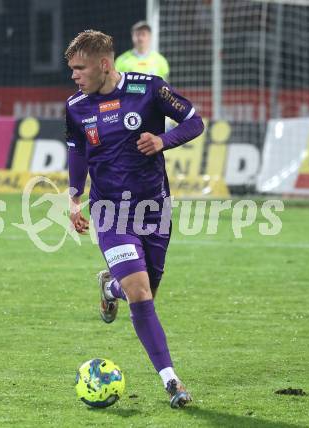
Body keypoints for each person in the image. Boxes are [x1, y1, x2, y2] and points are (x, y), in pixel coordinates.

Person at [65, 30, 204, 408]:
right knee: (141, 294)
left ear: (104, 65)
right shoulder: (76, 106)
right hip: (110, 212)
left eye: (80, 69)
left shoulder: (149, 89)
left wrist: (163, 141)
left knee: (141, 292)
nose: (74, 76)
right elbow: (78, 154)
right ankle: (172, 381)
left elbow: (194, 121)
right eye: (72, 69)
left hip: (154, 210)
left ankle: (110, 288)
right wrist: (74, 197)